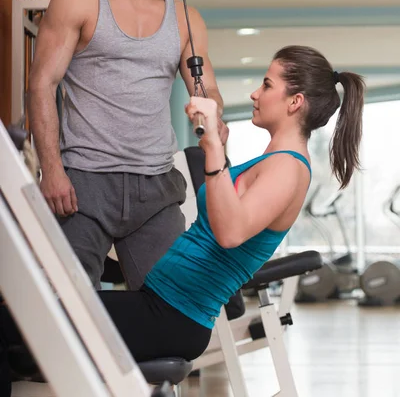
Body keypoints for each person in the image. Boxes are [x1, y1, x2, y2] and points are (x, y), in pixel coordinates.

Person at [1, 45, 365, 374]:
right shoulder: (272, 161)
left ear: (294, 101)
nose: (255, 93)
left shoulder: (289, 168)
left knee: (16, 319)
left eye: (267, 85)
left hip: (173, 317)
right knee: (21, 327)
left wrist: (211, 146)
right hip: (160, 306)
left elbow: (231, 232)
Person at [27, 0, 228, 291]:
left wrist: (214, 122)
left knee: (172, 306)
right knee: (71, 307)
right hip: (84, 181)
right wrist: (51, 169)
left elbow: (207, 91)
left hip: (155, 185)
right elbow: (41, 84)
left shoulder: (187, 19)